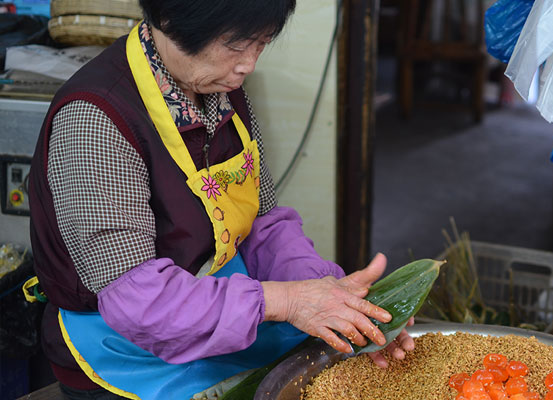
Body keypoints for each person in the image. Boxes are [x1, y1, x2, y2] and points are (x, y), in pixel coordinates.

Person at [28, 1, 414, 398]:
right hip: (128, 346)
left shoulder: (219, 89)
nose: (248, 64)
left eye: (261, 43)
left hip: (226, 303)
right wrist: (289, 301)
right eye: (235, 44)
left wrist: (331, 295)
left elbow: (263, 225)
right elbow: (138, 301)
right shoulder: (95, 120)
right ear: (168, 18)